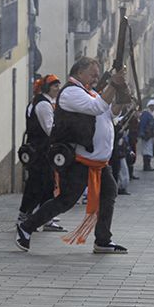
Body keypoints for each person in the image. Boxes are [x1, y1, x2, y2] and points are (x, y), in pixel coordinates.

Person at [15, 57, 130, 254]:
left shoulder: (89, 93)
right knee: (66, 200)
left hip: (98, 162)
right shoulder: (71, 92)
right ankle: (26, 226)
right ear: (79, 72)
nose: (96, 78)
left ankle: (103, 240)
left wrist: (120, 93)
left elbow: (111, 114)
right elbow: (97, 107)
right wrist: (112, 83)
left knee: (108, 194)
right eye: (93, 74)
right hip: (79, 159)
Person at [18, 75, 63, 231]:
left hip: (40, 151)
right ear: (47, 88)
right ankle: (24, 216)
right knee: (36, 185)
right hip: (40, 151)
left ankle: (45, 218)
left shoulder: (41, 101)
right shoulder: (43, 104)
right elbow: (50, 129)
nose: (58, 89)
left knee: (46, 184)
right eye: (55, 86)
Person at [139, 100, 154, 171]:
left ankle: (148, 165)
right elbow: (142, 124)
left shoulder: (153, 114)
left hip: (151, 135)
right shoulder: (146, 114)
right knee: (146, 150)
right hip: (146, 135)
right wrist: (142, 133)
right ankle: (146, 166)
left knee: (149, 150)